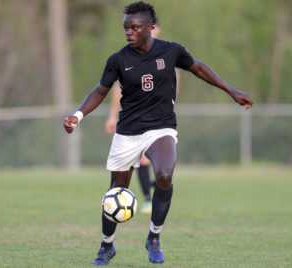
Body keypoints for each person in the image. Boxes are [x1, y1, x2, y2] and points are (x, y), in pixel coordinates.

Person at [63, 1, 253, 265]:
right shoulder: (118, 60)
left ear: (150, 28)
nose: (128, 32)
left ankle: (154, 237)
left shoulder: (172, 51)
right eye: (126, 28)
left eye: (134, 27)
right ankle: (107, 246)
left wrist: (232, 91)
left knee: (164, 174)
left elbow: (198, 68)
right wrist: (78, 115)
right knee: (116, 192)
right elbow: (100, 91)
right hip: (128, 132)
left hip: (161, 127)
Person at [104, 23, 180, 216]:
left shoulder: (166, 58)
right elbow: (116, 89)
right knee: (142, 161)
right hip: (134, 123)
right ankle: (147, 198)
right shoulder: (127, 59)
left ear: (156, 29)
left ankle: (152, 192)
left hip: (159, 122)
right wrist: (113, 115)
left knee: (159, 166)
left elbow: (174, 89)